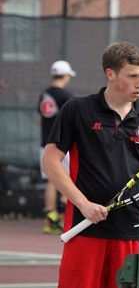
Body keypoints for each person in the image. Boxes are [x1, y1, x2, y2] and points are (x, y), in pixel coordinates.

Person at [42, 41, 139, 288]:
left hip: (131, 230)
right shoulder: (78, 109)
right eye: (132, 76)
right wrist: (84, 204)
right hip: (85, 227)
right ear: (110, 74)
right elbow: (51, 162)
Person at [38, 60, 76, 234]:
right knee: (67, 178)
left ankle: (51, 216)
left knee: (50, 179)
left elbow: (40, 120)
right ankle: (63, 216)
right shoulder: (66, 96)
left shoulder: (44, 94)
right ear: (66, 75)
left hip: (44, 143)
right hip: (62, 144)